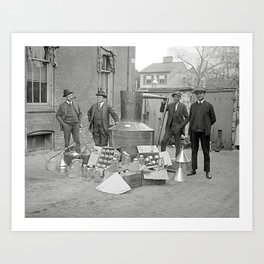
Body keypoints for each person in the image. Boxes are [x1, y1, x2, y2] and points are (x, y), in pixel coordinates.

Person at [187, 87, 216, 179]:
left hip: (204, 132)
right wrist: (190, 131)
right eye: (197, 94)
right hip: (194, 132)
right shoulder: (193, 106)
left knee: (206, 152)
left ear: (204, 94)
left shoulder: (209, 106)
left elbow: (213, 118)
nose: (199, 95)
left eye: (201, 93)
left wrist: (206, 125)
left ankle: (207, 171)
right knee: (193, 151)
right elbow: (191, 119)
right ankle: (193, 169)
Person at [160, 91, 189, 157]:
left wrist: (180, 126)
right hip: (169, 128)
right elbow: (162, 110)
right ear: (173, 98)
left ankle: (177, 160)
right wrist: (163, 102)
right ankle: (164, 158)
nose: (176, 98)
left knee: (177, 145)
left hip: (177, 128)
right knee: (163, 142)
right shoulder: (170, 105)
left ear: (179, 98)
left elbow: (187, 118)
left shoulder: (183, 106)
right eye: (174, 97)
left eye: (177, 97)